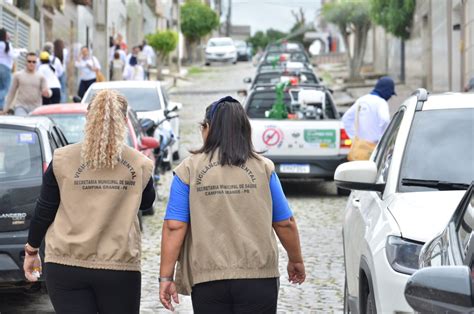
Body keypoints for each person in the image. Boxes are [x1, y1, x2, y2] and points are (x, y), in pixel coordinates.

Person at [159, 97, 306, 313]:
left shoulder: (188, 169)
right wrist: (296, 260)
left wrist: (165, 277)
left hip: (208, 278)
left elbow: (174, 226)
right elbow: (285, 223)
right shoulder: (263, 167)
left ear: (208, 128)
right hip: (258, 276)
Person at [23, 89, 155, 314]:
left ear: (88, 118)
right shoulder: (138, 163)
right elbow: (146, 203)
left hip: (66, 264)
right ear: (123, 121)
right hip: (118, 265)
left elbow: (44, 209)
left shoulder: (63, 159)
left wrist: (32, 250)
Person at [342, 76, 395, 145]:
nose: (390, 97)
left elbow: (346, 118)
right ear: (386, 91)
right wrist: (383, 138)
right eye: (390, 94)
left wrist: (354, 138)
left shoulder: (361, 100)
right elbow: (385, 120)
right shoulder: (381, 102)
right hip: (375, 145)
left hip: (360, 146)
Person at [0, 28, 19, 110]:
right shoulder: (6, 44)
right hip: (6, 68)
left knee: (1, 87)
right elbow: (13, 55)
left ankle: (1, 107)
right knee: (6, 88)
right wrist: (18, 52)